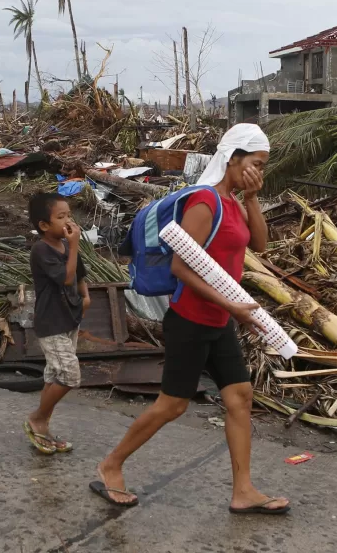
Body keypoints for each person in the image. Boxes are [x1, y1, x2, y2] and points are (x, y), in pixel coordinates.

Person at [93, 123, 290, 515]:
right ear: (232, 159)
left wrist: (252, 198)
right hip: (191, 319)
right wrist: (233, 307)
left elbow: (261, 245)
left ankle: (244, 490)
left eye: (263, 166)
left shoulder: (234, 201)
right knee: (172, 405)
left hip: (221, 320)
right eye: (255, 163)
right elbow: (183, 267)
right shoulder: (205, 202)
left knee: (239, 397)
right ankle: (110, 465)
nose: (259, 171)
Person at [24, 192, 90, 454]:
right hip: (50, 322)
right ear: (43, 225)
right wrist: (74, 246)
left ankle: (43, 427)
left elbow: (80, 273)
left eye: (69, 215)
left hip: (68, 320)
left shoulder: (65, 245)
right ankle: (37, 418)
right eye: (61, 217)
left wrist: (85, 295)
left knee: (53, 376)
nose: (68, 221)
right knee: (70, 375)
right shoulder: (41, 250)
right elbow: (65, 277)